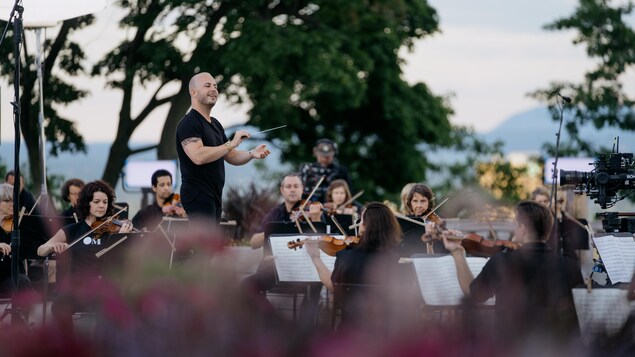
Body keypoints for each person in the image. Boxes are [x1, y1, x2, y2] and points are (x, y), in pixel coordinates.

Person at [443, 200, 583, 342]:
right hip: (556, 347)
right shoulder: (570, 266)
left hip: (511, 346)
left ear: (522, 229)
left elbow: (472, 294)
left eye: (515, 224)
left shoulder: (501, 263)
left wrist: (458, 253)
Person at [37, 180, 135, 327]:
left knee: (114, 305)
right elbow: (41, 250)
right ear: (87, 203)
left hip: (103, 286)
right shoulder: (73, 229)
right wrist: (53, 246)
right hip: (77, 287)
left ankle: (104, 347)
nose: (102, 205)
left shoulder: (114, 230)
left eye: (105, 202)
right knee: (59, 306)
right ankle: (69, 346)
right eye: (96, 201)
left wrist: (122, 237)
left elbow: (125, 259)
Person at [176, 72, 271, 223]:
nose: (214, 89)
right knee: (205, 246)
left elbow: (231, 155)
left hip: (214, 195)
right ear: (193, 92)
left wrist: (252, 153)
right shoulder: (189, 123)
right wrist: (230, 144)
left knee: (209, 246)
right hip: (198, 195)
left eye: (215, 86)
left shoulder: (215, 124)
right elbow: (198, 156)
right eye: (207, 85)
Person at [306, 202, 409, 326]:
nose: (359, 224)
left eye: (360, 221)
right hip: (385, 330)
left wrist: (315, 257)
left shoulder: (346, 255)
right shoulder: (396, 261)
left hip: (350, 327)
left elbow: (333, 286)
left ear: (365, 226)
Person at [242, 173, 323, 324]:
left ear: (302, 189)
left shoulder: (312, 210)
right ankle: (275, 322)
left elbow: (324, 241)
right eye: (288, 186)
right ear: (282, 190)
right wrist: (273, 229)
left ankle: (305, 330)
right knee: (246, 286)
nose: (292, 190)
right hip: (276, 267)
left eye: (296, 186)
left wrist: (316, 219)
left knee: (316, 285)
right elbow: (253, 242)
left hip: (304, 269)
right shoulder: (275, 213)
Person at [0, 183, 36, 324]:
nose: (11, 204)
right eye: (6, 200)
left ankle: (20, 329)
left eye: (13, 201)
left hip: (11, 276)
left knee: (23, 282)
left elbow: (33, 246)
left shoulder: (21, 224)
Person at [299, 139, 352, 203]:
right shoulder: (307, 168)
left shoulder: (341, 171)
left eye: (327, 156)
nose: (324, 158)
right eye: (322, 155)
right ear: (315, 152)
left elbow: (348, 193)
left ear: (334, 153)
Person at [402, 183, 447, 255]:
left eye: (423, 201)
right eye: (415, 201)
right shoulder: (406, 220)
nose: (419, 205)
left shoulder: (434, 219)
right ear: (410, 203)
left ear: (429, 203)